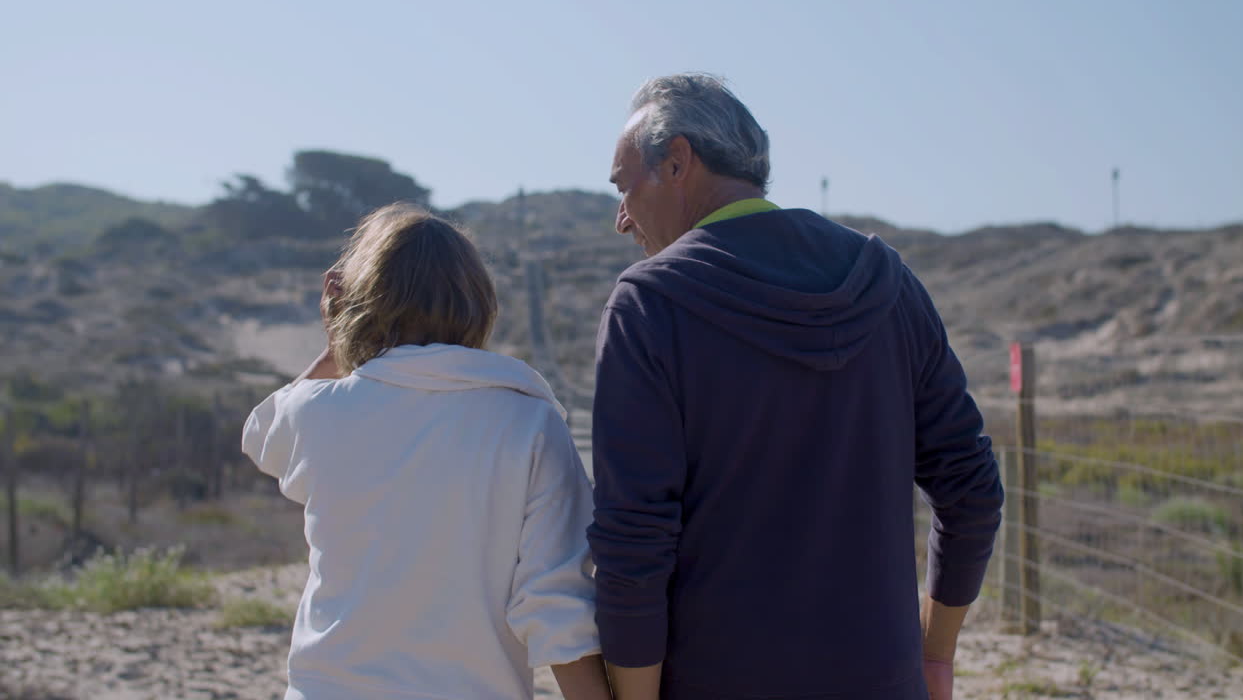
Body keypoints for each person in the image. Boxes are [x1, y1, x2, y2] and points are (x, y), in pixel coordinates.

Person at [588, 74, 1004, 700]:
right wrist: (933, 658)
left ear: (677, 161)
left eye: (625, 186)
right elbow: (971, 489)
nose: (622, 219)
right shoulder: (885, 281)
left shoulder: (649, 304)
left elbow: (633, 546)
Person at [241, 203, 611, 700]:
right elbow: (554, 603)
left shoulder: (318, 413)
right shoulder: (530, 422)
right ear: (478, 303)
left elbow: (261, 437)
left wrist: (334, 343)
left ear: (357, 301)